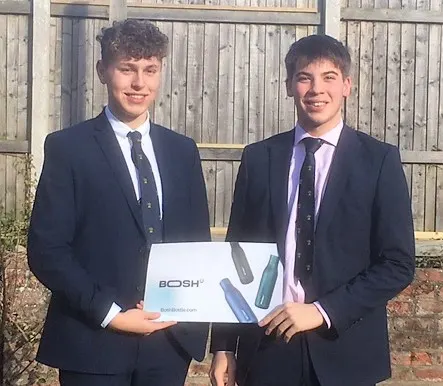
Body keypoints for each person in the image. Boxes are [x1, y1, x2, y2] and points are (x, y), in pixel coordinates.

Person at [209, 34, 415, 386]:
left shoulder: (378, 161)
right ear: (290, 86)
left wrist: (321, 311)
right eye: (305, 77)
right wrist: (224, 347)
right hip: (268, 347)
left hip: (345, 350)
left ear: (347, 85)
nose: (316, 89)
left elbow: (398, 263)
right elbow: (236, 254)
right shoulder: (260, 158)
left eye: (329, 77)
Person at [27, 19, 210, 386]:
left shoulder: (182, 151)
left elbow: (196, 245)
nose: (139, 83)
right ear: (102, 72)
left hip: (166, 343)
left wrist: (185, 315)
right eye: (127, 69)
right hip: (93, 342)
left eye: (149, 70)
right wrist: (112, 314)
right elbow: (47, 250)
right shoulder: (68, 149)